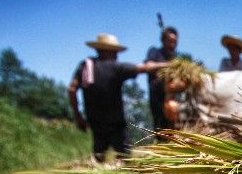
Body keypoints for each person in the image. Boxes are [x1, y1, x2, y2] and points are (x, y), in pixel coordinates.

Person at [69, 33, 168, 162]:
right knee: (125, 158)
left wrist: (78, 116)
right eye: (115, 52)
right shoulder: (115, 67)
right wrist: (169, 65)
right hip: (116, 123)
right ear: (106, 51)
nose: (117, 55)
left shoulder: (86, 66)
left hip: (95, 121)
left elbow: (72, 89)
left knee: (99, 157)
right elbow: (144, 68)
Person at [145, 26, 178, 130]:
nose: (172, 45)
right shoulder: (154, 52)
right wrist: (169, 65)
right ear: (163, 41)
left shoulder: (176, 57)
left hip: (173, 101)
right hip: (157, 99)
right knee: (160, 129)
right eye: (170, 41)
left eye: (175, 42)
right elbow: (148, 66)